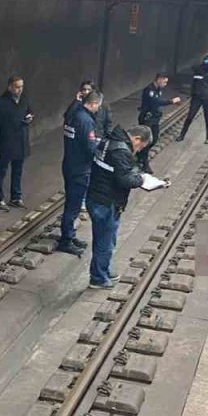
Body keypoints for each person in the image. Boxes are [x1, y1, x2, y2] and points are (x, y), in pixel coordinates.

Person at [86, 125, 167, 289]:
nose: (138, 150)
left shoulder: (109, 140)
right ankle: (98, 278)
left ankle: (103, 269)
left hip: (96, 195)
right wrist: (142, 179)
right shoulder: (121, 151)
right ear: (137, 139)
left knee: (106, 239)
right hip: (107, 201)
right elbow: (125, 180)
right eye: (140, 146)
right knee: (104, 242)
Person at [58, 91, 102, 256]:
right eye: (97, 105)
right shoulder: (86, 121)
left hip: (69, 163)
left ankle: (70, 235)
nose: (98, 109)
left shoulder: (72, 114)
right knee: (73, 207)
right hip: (80, 169)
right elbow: (90, 148)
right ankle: (66, 240)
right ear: (93, 103)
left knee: (71, 203)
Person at [0, 75, 34, 211]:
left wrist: (30, 117)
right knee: (1, 171)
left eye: (21, 87)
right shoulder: (0, 103)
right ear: (9, 87)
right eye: (17, 87)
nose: (20, 89)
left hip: (21, 141)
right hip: (6, 142)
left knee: (18, 171)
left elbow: (30, 111)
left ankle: (16, 197)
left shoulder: (24, 99)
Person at [137, 73, 181, 173]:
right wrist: (171, 101)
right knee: (146, 140)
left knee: (154, 139)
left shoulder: (158, 89)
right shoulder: (149, 90)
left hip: (154, 118)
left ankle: (140, 155)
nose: (165, 84)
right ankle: (144, 162)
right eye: (164, 82)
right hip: (147, 118)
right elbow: (156, 101)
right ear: (159, 79)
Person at [176, 55, 208, 144]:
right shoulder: (198, 70)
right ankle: (182, 135)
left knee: (207, 118)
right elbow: (194, 80)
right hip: (196, 97)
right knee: (190, 117)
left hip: (207, 97)